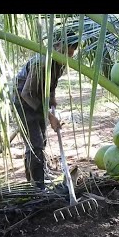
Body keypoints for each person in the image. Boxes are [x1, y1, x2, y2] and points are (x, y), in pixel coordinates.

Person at [14, 34, 78, 189]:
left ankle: (35, 179)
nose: (67, 58)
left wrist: (52, 99)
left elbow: (52, 84)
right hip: (23, 101)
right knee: (34, 144)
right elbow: (27, 94)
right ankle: (37, 187)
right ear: (58, 45)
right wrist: (49, 116)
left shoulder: (61, 62)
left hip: (39, 99)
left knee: (40, 141)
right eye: (66, 53)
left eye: (70, 55)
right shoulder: (41, 64)